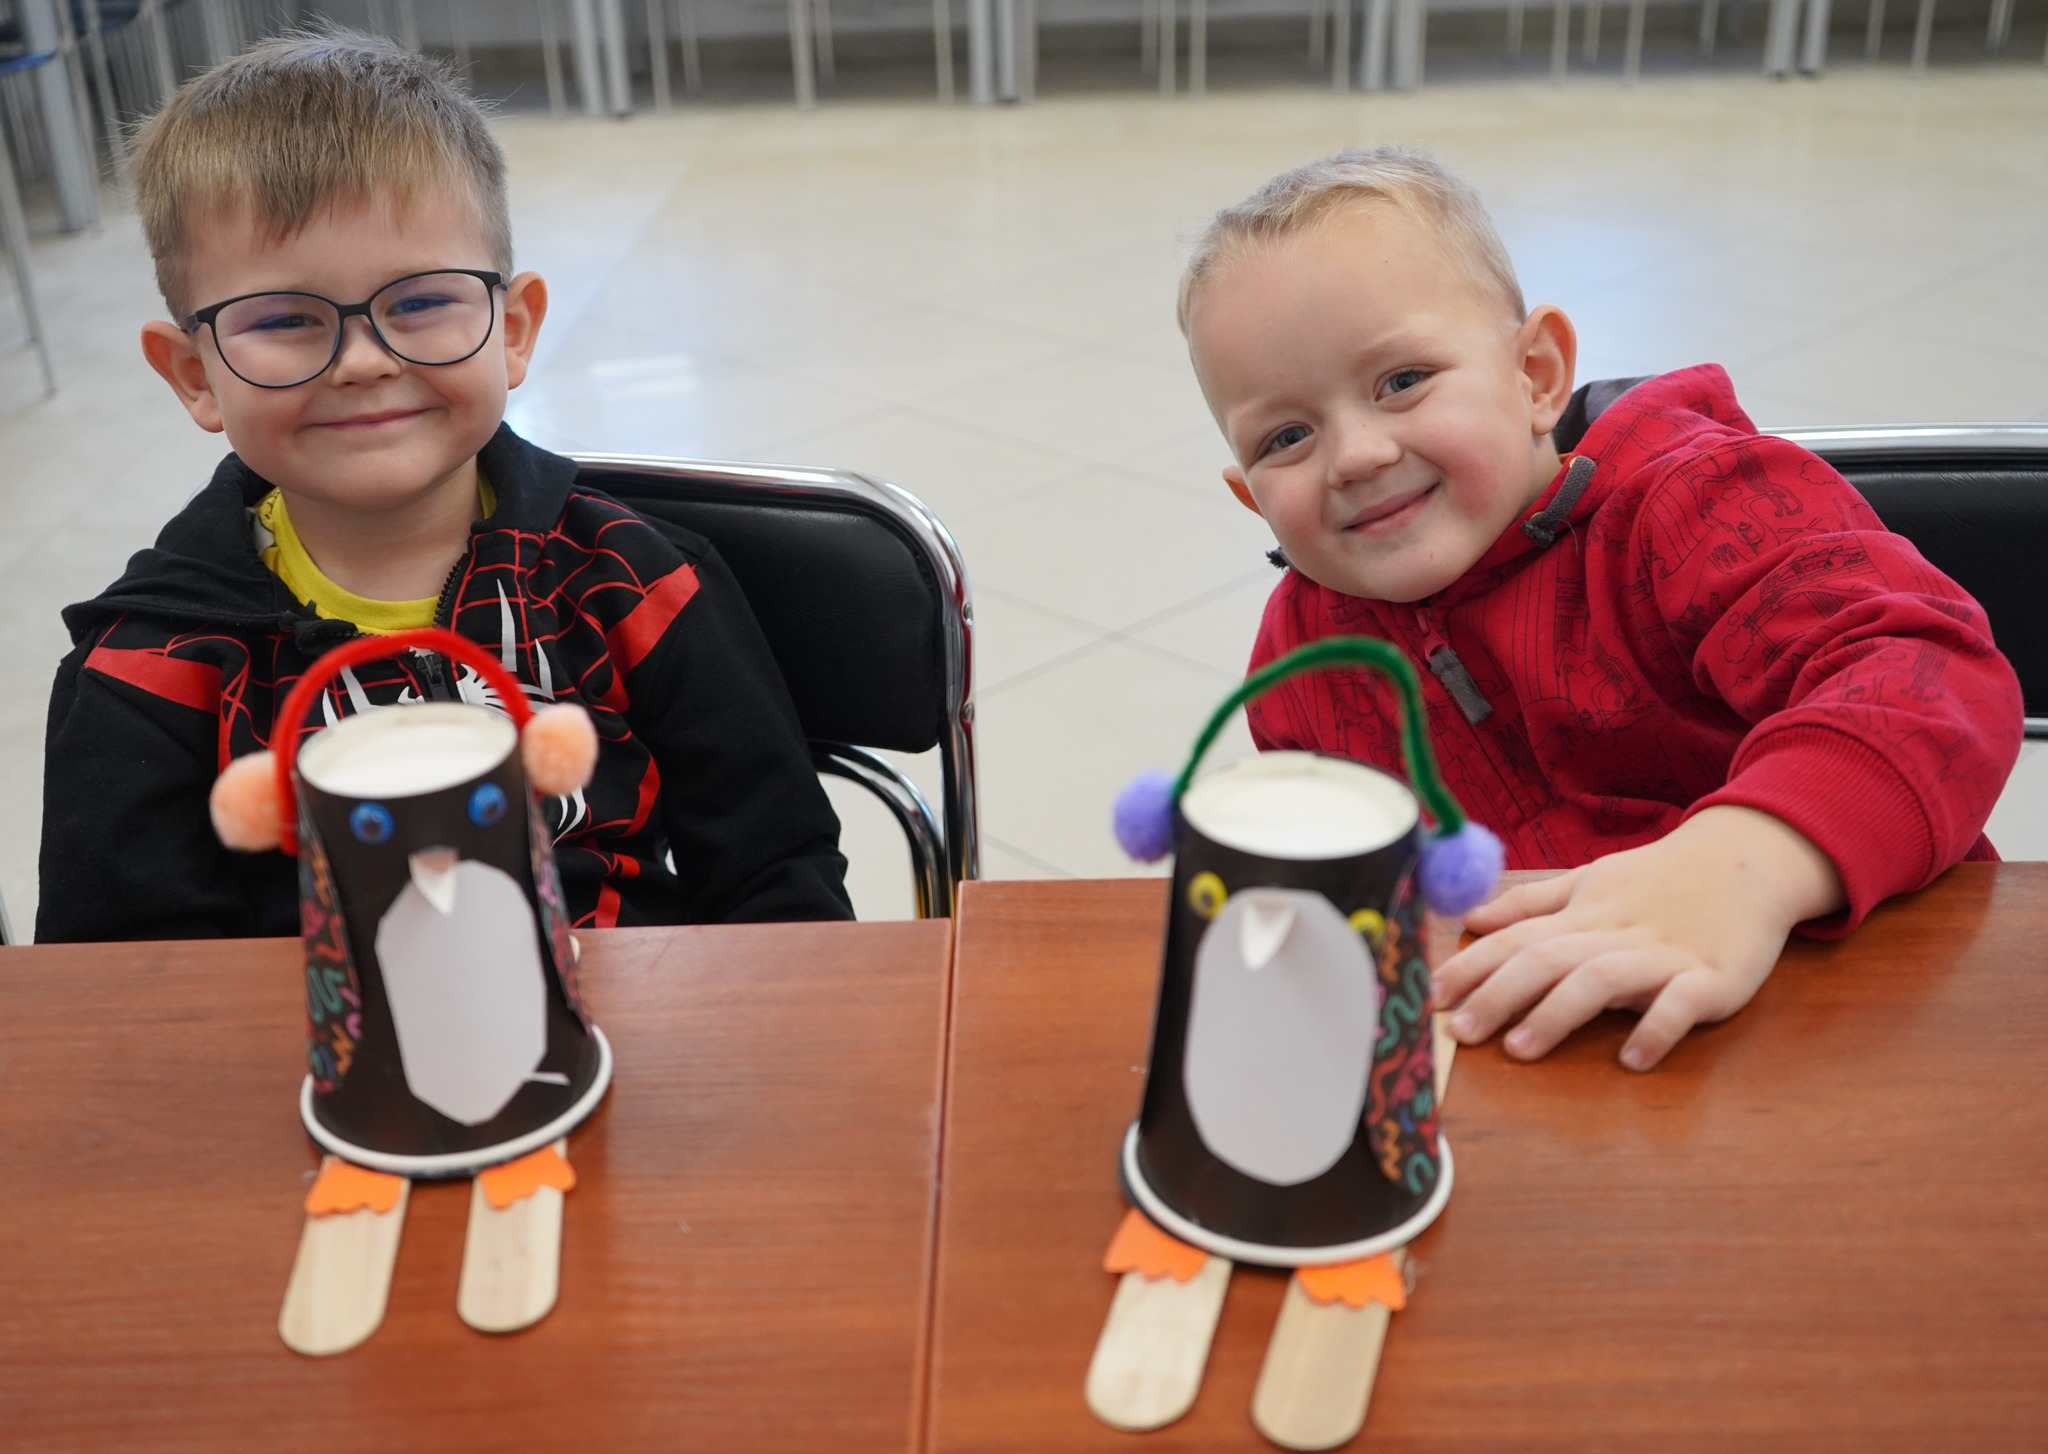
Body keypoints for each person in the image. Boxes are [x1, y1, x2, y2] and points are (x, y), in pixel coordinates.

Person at [1179, 146, 2021, 1071]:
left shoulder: (1697, 506)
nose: (1356, 456)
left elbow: (1934, 674)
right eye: (1287, 436)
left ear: (1536, 375)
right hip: (1546, 1052)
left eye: (1403, 381)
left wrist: (1744, 866)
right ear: (1251, 497)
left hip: (1865, 1010)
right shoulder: (1302, 657)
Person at [37, 31, 852, 941]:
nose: (362, 362)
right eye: (285, 320)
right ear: (195, 375)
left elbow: (778, 878)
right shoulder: (144, 669)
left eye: (421, 302)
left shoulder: (638, 584)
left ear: (514, 329)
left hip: (637, 1010)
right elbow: (122, 985)